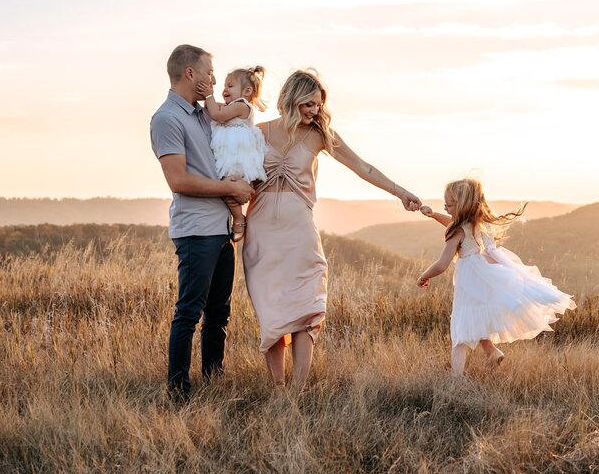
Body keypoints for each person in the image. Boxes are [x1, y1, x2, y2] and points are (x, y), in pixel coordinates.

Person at [242, 68, 422, 390]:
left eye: (318, 105)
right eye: (308, 104)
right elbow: (237, 178)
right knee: (271, 311)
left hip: (300, 233)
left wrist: (401, 193)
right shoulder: (258, 133)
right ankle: (279, 390)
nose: (314, 111)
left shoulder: (320, 135)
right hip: (262, 232)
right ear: (290, 99)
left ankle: (298, 389)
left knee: (307, 307)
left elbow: (362, 167)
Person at [150, 44, 254, 400]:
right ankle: (178, 391)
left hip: (221, 227)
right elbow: (178, 180)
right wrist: (229, 189)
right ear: (190, 73)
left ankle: (215, 379)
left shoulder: (203, 115)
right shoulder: (167, 118)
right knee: (189, 312)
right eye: (209, 72)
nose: (213, 78)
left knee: (219, 313)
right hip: (196, 230)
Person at [416, 178, 575, 377]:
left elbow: (442, 264)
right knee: (477, 319)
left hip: (470, 282)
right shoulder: (478, 224)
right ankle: (492, 353)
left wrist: (423, 275)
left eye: (449, 204)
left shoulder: (457, 232)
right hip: (484, 278)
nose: (446, 208)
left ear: (462, 205)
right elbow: (453, 223)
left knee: (460, 329)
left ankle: (456, 379)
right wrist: (433, 215)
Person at [204, 65, 269, 242]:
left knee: (229, 187)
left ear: (247, 91)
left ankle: (239, 218)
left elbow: (216, 114)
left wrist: (208, 95)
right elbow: (213, 110)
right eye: (224, 86)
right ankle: (237, 217)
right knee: (226, 187)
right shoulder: (231, 106)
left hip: (237, 157)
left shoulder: (241, 106)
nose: (224, 90)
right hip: (229, 155)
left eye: (230, 86)